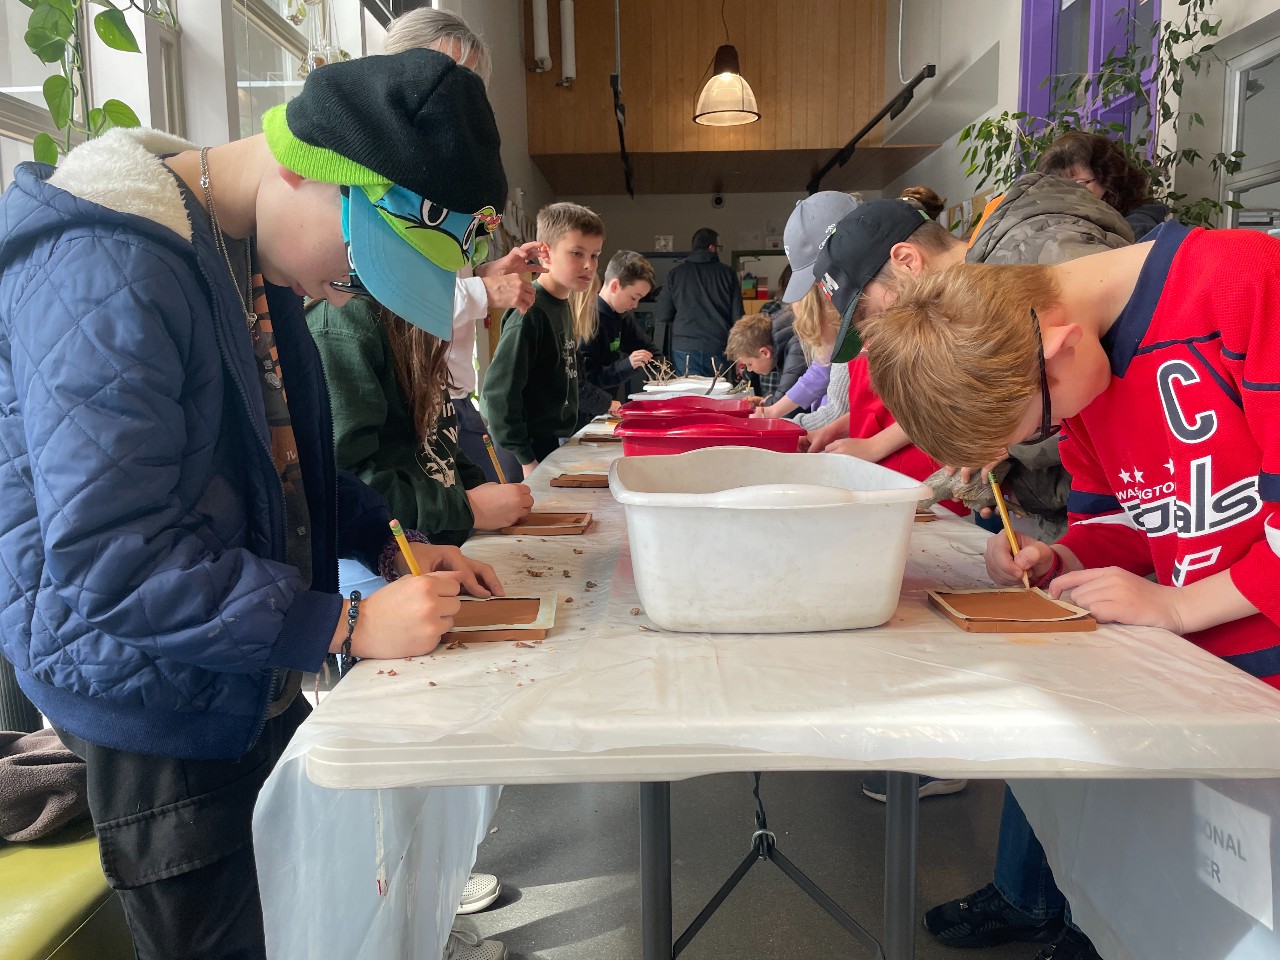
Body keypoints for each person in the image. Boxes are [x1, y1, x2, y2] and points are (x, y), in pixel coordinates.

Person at [0, 50, 505, 960]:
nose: (346, 294)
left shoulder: (249, 258)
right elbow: (115, 562)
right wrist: (344, 624)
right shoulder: (106, 263)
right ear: (303, 165)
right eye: (357, 268)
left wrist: (394, 545)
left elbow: (297, 466)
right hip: (160, 709)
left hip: (240, 670)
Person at [863, 223, 1280, 960]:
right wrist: (1062, 555)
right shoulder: (1085, 365)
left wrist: (1180, 605)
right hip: (1203, 687)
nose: (1049, 440)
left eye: (1034, 431)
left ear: (1056, 352)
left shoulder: (1244, 284)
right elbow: (1125, 517)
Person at [811, 182, 1133, 540]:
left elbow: (1106, 401)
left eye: (876, 314)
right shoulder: (992, 275)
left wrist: (1008, 441)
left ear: (906, 261)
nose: (879, 337)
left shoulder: (1033, 261)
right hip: (1080, 521)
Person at [383, 6, 541, 489]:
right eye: (439, 77)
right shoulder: (379, 192)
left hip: (454, 397)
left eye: (468, 87)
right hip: (412, 409)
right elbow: (392, 306)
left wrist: (486, 272)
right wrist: (483, 294)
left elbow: (436, 283)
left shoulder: (445, 183)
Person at [306, 298, 534, 544]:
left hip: (442, 543)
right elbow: (349, 485)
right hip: (393, 559)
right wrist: (466, 507)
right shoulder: (345, 324)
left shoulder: (410, 310)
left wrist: (476, 487)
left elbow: (437, 439)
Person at [481, 203, 605, 477]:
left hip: (549, 445)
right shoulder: (531, 311)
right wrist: (525, 459)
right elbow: (498, 395)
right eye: (577, 253)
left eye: (595, 255)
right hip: (522, 453)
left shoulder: (562, 306)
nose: (589, 264)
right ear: (544, 254)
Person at [1037, 129, 1169, 240]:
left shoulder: (1138, 229)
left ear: (1110, 180)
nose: (1069, 195)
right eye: (1060, 189)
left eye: (1080, 184)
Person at [654, 227, 740, 376]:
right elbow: (738, 318)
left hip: (684, 348)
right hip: (718, 347)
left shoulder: (675, 275)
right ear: (712, 248)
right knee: (716, 396)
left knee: (689, 396)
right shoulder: (728, 274)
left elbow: (662, 314)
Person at [579, 250, 659, 401]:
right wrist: (627, 365)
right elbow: (586, 380)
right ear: (615, 286)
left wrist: (666, 375)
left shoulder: (621, 316)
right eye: (633, 297)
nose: (635, 305)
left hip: (609, 405)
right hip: (589, 409)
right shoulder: (590, 319)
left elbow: (649, 350)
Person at [725, 309, 807, 405]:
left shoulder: (796, 347)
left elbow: (786, 405)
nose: (750, 369)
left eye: (749, 364)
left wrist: (767, 404)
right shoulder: (784, 340)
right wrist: (766, 401)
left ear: (765, 352)